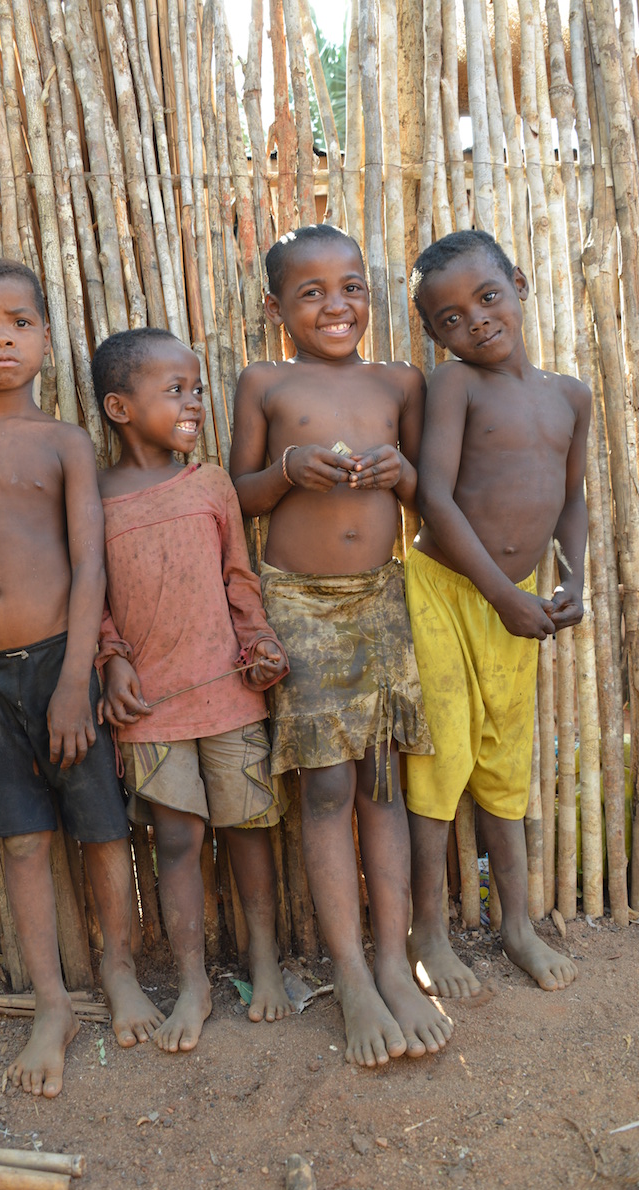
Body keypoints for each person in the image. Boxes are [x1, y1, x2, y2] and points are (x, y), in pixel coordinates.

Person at [0, 257, 162, 1099]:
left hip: (62, 663)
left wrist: (72, 683)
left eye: (17, 322)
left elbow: (90, 562)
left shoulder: (64, 444)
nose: (0, 340)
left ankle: (120, 973)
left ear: (46, 340)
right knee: (22, 841)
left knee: (100, 830)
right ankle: (52, 1001)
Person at [230, 224, 451, 1069]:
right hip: (297, 605)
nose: (335, 305)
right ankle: (351, 975)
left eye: (351, 287)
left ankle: (395, 963)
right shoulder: (265, 383)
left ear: (372, 292)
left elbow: (432, 502)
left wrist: (401, 475)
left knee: (383, 780)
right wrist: (287, 469)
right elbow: (238, 496)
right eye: (312, 291)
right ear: (276, 306)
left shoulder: (401, 381)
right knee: (326, 785)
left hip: (380, 600)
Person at [92, 326, 294, 1054]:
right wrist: (111, 658)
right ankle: (193, 981)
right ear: (120, 407)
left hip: (229, 692)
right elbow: (94, 597)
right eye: (174, 391)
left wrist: (260, 643)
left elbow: (239, 578)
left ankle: (266, 963)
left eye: (198, 388)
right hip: (150, 707)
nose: (194, 402)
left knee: (247, 828)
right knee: (176, 840)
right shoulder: (94, 497)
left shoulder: (210, 484)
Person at [406, 229, 590, 997]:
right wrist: (500, 593)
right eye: (449, 317)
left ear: (517, 282)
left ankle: (516, 926)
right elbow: (432, 496)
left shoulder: (571, 395)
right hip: (449, 594)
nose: (474, 321)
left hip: (516, 607)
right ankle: (430, 936)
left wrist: (573, 577)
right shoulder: (456, 387)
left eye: (487, 297)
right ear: (434, 334)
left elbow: (572, 498)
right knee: (440, 759)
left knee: (505, 763)